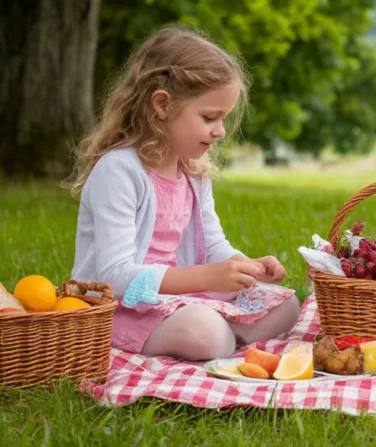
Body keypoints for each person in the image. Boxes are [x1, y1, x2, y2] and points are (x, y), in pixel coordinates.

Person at [67, 25, 300, 361]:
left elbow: (214, 245)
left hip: (181, 297)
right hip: (119, 306)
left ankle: (217, 333)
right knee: (205, 333)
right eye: (209, 117)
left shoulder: (193, 172)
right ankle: (217, 334)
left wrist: (244, 266)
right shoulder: (119, 171)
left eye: (224, 119)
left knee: (285, 303)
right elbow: (113, 276)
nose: (219, 131)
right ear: (162, 106)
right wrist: (207, 277)